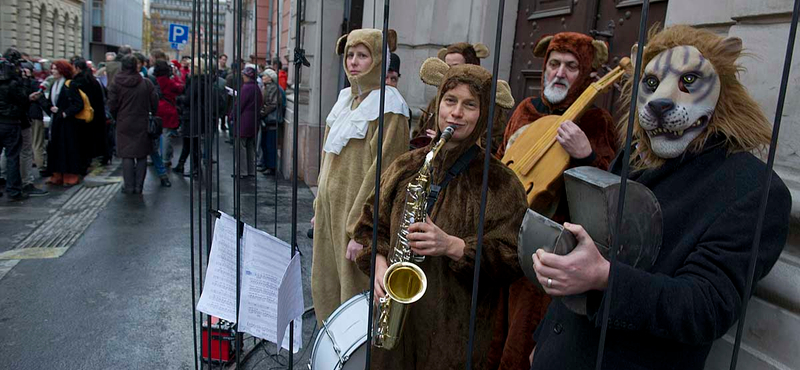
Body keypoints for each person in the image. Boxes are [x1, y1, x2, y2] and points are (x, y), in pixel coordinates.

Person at [528, 25, 791, 370]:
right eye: (651, 84)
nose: (660, 100)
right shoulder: (634, 155)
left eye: (689, 82)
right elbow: (591, 245)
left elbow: (706, 308)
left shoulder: (753, 188)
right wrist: (545, 339)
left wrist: (606, 277)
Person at [353, 59, 525, 369]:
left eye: (470, 105)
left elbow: (514, 258)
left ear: (484, 114)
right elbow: (369, 227)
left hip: (455, 340)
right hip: (394, 334)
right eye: (450, 100)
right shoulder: (405, 166)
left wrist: (453, 246)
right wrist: (379, 265)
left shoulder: (501, 182)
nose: (457, 113)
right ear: (438, 105)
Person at [311, 29, 410, 324]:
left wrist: (361, 228)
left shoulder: (390, 106)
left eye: (363, 55)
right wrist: (319, 203)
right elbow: (328, 158)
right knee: (326, 281)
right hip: (330, 211)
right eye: (350, 55)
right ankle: (331, 347)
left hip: (356, 216)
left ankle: (356, 355)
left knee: (354, 291)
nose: (353, 62)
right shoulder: (345, 100)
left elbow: (384, 173)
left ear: (379, 60)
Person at [415, 42, 490, 147]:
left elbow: (493, 143)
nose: (449, 72)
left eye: (455, 67)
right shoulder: (436, 102)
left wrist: (451, 139)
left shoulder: (488, 105)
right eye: (446, 66)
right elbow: (418, 132)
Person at [108, 55, 158, 194]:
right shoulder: (145, 83)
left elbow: (111, 105)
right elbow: (154, 102)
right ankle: (139, 187)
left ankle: (129, 186)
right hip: (141, 122)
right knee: (141, 155)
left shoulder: (116, 83)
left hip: (124, 122)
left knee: (127, 155)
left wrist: (116, 116)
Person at [0, 48, 40, 200]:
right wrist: (24, 83)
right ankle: (14, 190)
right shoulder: (13, 81)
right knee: (12, 156)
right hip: (11, 122)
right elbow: (22, 100)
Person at [41, 60, 85, 187]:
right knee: (56, 148)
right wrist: (43, 102)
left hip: (68, 124)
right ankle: (57, 174)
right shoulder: (54, 84)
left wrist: (65, 113)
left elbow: (78, 104)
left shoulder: (70, 85)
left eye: (55, 69)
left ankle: (69, 175)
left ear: (62, 70)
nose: (52, 71)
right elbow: (52, 104)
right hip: (57, 123)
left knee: (67, 148)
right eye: (52, 69)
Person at [72, 58, 107, 168]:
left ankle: (84, 162)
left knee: (83, 141)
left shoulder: (78, 82)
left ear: (77, 68)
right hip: (96, 115)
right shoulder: (94, 80)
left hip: (83, 115)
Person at [229, 65, 262, 178]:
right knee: (250, 146)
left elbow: (239, 105)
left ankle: (241, 171)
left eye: (244, 75)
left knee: (241, 146)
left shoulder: (246, 88)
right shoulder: (257, 88)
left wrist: (232, 116)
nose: (243, 77)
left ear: (248, 76)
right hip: (254, 121)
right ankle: (251, 170)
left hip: (244, 121)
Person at [154, 60, 183, 184]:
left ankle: (156, 156)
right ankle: (165, 158)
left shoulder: (154, 79)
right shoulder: (168, 81)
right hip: (167, 108)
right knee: (166, 134)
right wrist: (176, 76)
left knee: (156, 134)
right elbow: (180, 88)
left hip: (157, 108)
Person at [257, 68, 283, 175]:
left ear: (270, 78)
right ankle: (266, 164)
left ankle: (271, 167)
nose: (262, 77)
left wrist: (262, 113)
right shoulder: (266, 87)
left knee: (270, 144)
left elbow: (272, 104)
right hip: (266, 120)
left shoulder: (274, 88)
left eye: (265, 76)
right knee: (264, 144)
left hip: (271, 120)